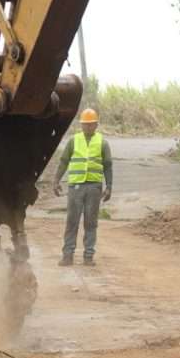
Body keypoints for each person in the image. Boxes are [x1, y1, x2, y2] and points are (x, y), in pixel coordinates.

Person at [54, 107, 113, 266]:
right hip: (75, 188)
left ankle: (88, 256)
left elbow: (107, 165)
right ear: (81, 125)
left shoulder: (102, 143)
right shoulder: (74, 141)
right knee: (72, 222)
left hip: (94, 188)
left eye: (91, 124)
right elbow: (64, 162)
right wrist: (56, 180)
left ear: (96, 125)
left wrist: (109, 187)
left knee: (90, 223)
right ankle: (67, 255)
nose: (87, 127)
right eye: (85, 124)